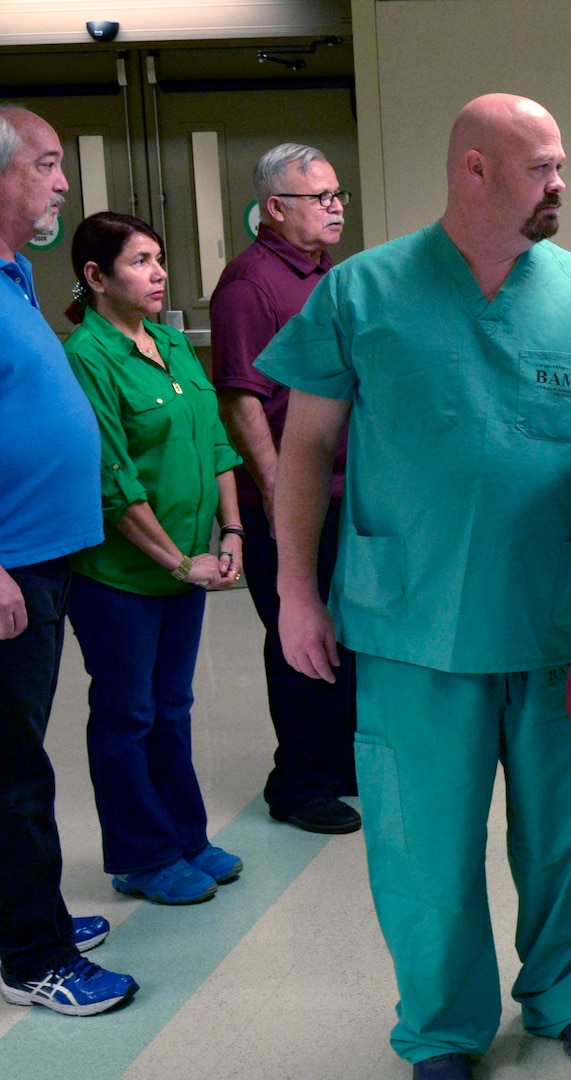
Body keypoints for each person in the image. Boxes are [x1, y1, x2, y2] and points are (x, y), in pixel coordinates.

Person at [257, 94, 571, 1080]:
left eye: (563, 164)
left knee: (568, 833)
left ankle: (567, 994)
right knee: (425, 851)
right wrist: (294, 592)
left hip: (558, 614)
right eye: (542, 167)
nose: (563, 185)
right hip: (413, 623)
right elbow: (306, 442)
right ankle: (444, 1029)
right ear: (476, 170)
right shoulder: (362, 293)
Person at [63, 212, 247, 908]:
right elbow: (115, 483)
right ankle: (141, 856)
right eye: (140, 261)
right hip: (123, 579)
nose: (159, 273)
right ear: (95, 278)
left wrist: (230, 536)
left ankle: (185, 839)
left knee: (173, 706)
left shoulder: (170, 343)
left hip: (193, 565)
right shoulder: (88, 356)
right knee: (127, 714)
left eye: (160, 259)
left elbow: (217, 447)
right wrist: (178, 563)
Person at [0, 105, 138, 1017]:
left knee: (16, 760)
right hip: (9, 571)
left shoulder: (13, 274)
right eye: (47, 165)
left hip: (41, 559)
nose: (61, 183)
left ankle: (25, 912)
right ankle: (33, 955)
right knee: (13, 772)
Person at [212, 143, 359, 836]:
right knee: (299, 639)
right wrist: (276, 495)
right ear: (276, 208)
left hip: (343, 494)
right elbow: (242, 400)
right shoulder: (252, 283)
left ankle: (336, 763)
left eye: (337, 195)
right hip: (294, 500)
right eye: (319, 197)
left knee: (344, 636)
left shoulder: (327, 277)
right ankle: (298, 784)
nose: (334, 207)